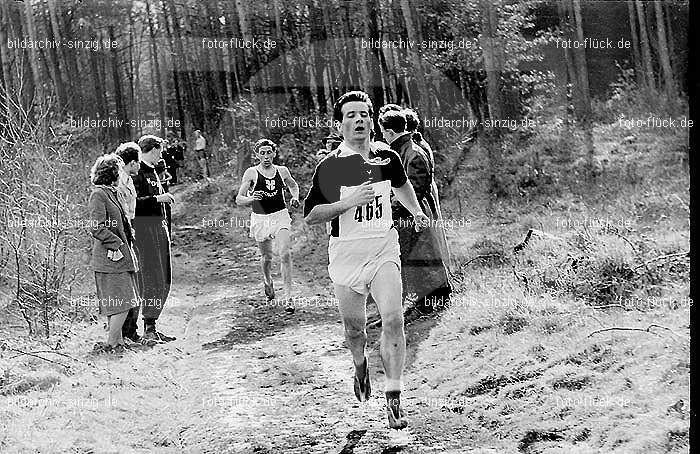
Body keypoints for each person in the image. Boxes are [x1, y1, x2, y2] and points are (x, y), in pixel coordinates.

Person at [303, 91, 429, 429]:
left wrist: (416, 211)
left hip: (383, 249)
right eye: (351, 115)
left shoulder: (386, 156)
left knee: (392, 319)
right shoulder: (331, 166)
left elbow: (402, 186)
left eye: (363, 114)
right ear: (339, 124)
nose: (358, 120)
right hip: (346, 255)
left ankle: (394, 396)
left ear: (372, 120)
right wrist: (348, 202)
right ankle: (359, 364)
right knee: (355, 330)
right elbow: (311, 215)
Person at [378, 109, 453, 313]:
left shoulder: (413, 154)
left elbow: (415, 188)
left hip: (415, 214)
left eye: (384, 132)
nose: (382, 136)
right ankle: (422, 304)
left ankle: (429, 304)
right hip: (408, 216)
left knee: (424, 259)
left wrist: (392, 208)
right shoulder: (402, 151)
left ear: (391, 132)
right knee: (415, 261)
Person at [236, 139, 300, 308]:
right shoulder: (251, 173)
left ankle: (289, 297)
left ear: (274, 153)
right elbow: (239, 199)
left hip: (280, 216)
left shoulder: (282, 171)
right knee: (267, 256)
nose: (266, 156)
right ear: (257, 155)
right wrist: (251, 198)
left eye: (268, 152)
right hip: (261, 218)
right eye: (262, 153)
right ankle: (268, 279)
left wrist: (295, 197)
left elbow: (293, 186)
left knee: (285, 254)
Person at [88, 154, 140, 354]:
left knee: (121, 301)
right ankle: (111, 345)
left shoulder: (113, 193)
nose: (121, 174)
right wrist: (116, 244)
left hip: (121, 255)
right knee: (123, 302)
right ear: (111, 173)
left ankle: (118, 344)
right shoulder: (99, 195)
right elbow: (96, 227)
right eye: (118, 171)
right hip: (110, 258)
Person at [132, 135, 176, 343]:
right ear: (151, 150)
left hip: (160, 228)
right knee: (150, 275)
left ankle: (153, 325)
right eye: (159, 151)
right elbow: (133, 204)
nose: (162, 155)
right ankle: (146, 327)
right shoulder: (137, 172)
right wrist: (158, 198)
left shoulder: (153, 171)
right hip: (145, 229)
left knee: (163, 276)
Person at [403, 107, 453, 274]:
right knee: (435, 235)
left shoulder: (417, 146)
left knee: (433, 237)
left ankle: (443, 276)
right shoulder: (418, 142)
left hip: (424, 193)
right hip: (427, 190)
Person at [114, 142, 142, 343]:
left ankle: (132, 329)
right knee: (128, 282)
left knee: (135, 279)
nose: (139, 166)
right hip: (123, 232)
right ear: (131, 162)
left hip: (131, 227)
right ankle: (126, 330)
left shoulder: (130, 180)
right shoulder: (118, 182)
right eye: (137, 162)